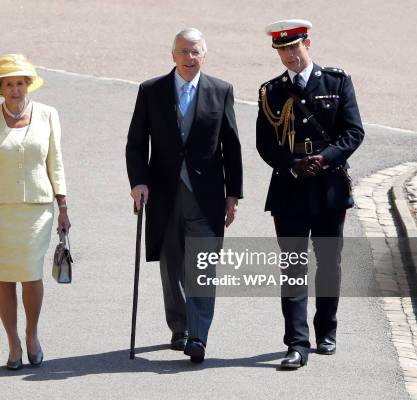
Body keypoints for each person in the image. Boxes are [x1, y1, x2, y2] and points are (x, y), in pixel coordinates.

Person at [126, 28, 243, 363]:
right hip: (163, 194)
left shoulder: (221, 91)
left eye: (195, 52)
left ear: (203, 55)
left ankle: (198, 335)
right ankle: (179, 326)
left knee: (202, 267)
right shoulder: (151, 91)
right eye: (183, 52)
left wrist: (233, 194)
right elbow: (136, 142)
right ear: (172, 54)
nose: (189, 58)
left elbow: (231, 146)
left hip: (206, 196)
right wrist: (138, 183)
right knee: (171, 265)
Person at [256, 19, 365, 369]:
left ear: (308, 43)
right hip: (290, 189)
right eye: (282, 50)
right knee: (293, 267)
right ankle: (297, 343)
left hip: (329, 186)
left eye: (294, 47)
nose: (289, 55)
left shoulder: (336, 81)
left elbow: (353, 132)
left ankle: (327, 330)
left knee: (329, 263)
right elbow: (264, 143)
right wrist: (291, 163)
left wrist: (325, 157)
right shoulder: (270, 91)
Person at [0, 54, 70, 370]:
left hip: (37, 210)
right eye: (9, 84)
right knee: (4, 278)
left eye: (20, 83)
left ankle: (32, 335)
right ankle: (12, 342)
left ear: (28, 85)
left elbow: (56, 163)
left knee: (31, 276)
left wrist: (64, 207)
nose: (15, 89)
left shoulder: (48, 115)